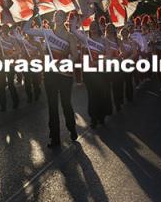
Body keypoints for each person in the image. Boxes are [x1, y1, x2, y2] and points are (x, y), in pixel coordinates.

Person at [24, 10, 79, 148]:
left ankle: (72, 129)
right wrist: (34, 15)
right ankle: (55, 138)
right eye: (56, 16)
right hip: (50, 73)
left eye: (61, 15)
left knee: (66, 104)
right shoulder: (47, 32)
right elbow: (26, 29)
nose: (58, 17)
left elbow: (75, 55)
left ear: (65, 18)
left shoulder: (70, 36)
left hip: (65, 74)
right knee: (52, 106)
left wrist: (66, 63)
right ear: (53, 19)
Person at [70, 15, 111, 128]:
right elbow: (73, 29)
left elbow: (108, 56)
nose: (93, 27)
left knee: (100, 94)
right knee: (92, 95)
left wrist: (97, 62)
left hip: (101, 71)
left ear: (99, 28)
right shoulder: (85, 39)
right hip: (88, 72)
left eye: (95, 25)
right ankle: (93, 118)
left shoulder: (104, 40)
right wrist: (80, 18)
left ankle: (101, 116)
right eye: (91, 25)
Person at [104, 23, 124, 113]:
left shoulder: (117, 40)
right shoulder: (103, 39)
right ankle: (108, 107)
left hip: (116, 65)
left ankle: (118, 103)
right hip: (107, 66)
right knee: (107, 88)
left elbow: (123, 51)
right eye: (108, 28)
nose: (110, 29)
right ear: (106, 29)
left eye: (112, 28)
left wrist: (118, 57)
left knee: (117, 86)